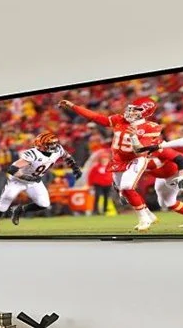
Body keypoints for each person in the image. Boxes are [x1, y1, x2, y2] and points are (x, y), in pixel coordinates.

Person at [59, 95, 164, 232]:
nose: (130, 112)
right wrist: (74, 107)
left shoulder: (151, 128)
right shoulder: (119, 119)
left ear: (145, 112)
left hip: (136, 159)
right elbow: (96, 117)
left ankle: (144, 219)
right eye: (130, 109)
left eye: (135, 110)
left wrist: (133, 137)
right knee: (124, 191)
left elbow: (139, 151)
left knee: (127, 187)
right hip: (118, 160)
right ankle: (149, 214)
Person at [0, 131, 69, 226]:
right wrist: (24, 176)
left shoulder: (53, 152)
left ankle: (19, 210)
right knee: (7, 198)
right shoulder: (31, 153)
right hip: (19, 178)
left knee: (44, 203)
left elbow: (56, 157)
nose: (52, 146)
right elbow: (14, 168)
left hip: (35, 179)